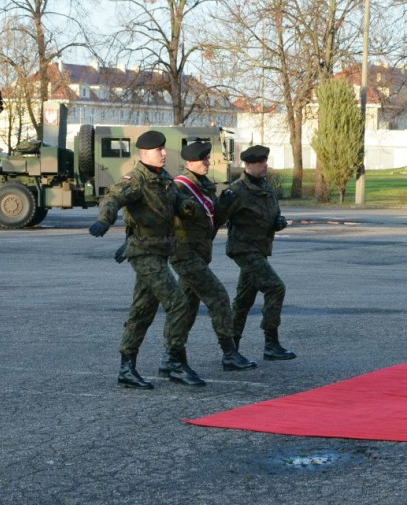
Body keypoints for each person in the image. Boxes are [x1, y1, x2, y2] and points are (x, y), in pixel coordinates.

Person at [88, 130, 205, 389]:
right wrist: (104, 220)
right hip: (144, 252)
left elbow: (178, 202)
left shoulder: (163, 179)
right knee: (178, 303)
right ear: (144, 154)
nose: (164, 153)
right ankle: (175, 362)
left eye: (164, 149)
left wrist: (188, 207)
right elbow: (113, 197)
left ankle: (126, 369)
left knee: (142, 311)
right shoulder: (137, 179)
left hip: (160, 252)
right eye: (158, 150)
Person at [168, 140, 256, 373]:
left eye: (207, 159)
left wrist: (225, 206)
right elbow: (162, 216)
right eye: (202, 160)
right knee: (218, 297)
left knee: (187, 307)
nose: (207, 163)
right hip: (184, 253)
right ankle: (229, 353)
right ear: (189, 163)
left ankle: (171, 356)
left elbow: (213, 220)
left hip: (200, 253)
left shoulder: (205, 186)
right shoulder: (179, 187)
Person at [217, 145, 296, 361]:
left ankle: (231, 350)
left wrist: (278, 222)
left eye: (266, 161)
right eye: (261, 162)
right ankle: (271, 343)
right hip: (244, 249)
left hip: (260, 250)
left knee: (244, 301)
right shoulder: (237, 191)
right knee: (275, 287)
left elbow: (273, 214)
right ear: (248, 165)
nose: (265, 166)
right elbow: (217, 219)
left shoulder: (266, 188)